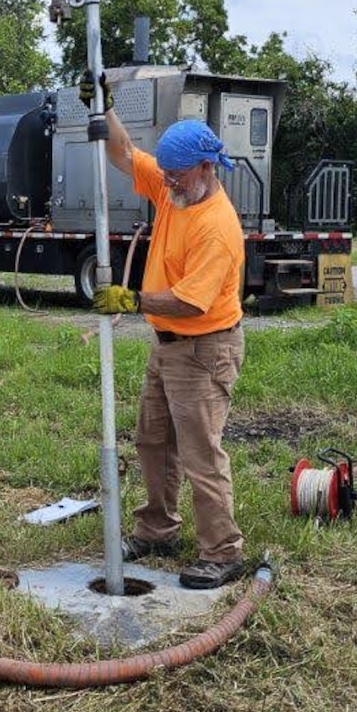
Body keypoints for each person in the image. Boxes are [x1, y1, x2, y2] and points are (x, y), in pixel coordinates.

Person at [81, 70, 246, 590]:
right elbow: (125, 153)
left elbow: (191, 303)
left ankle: (221, 551)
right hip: (168, 346)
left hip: (204, 348)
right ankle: (158, 529)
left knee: (200, 452)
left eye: (176, 175)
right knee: (154, 439)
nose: (166, 182)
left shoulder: (217, 227)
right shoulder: (174, 188)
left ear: (205, 167)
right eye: (166, 174)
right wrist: (103, 108)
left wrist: (130, 299)